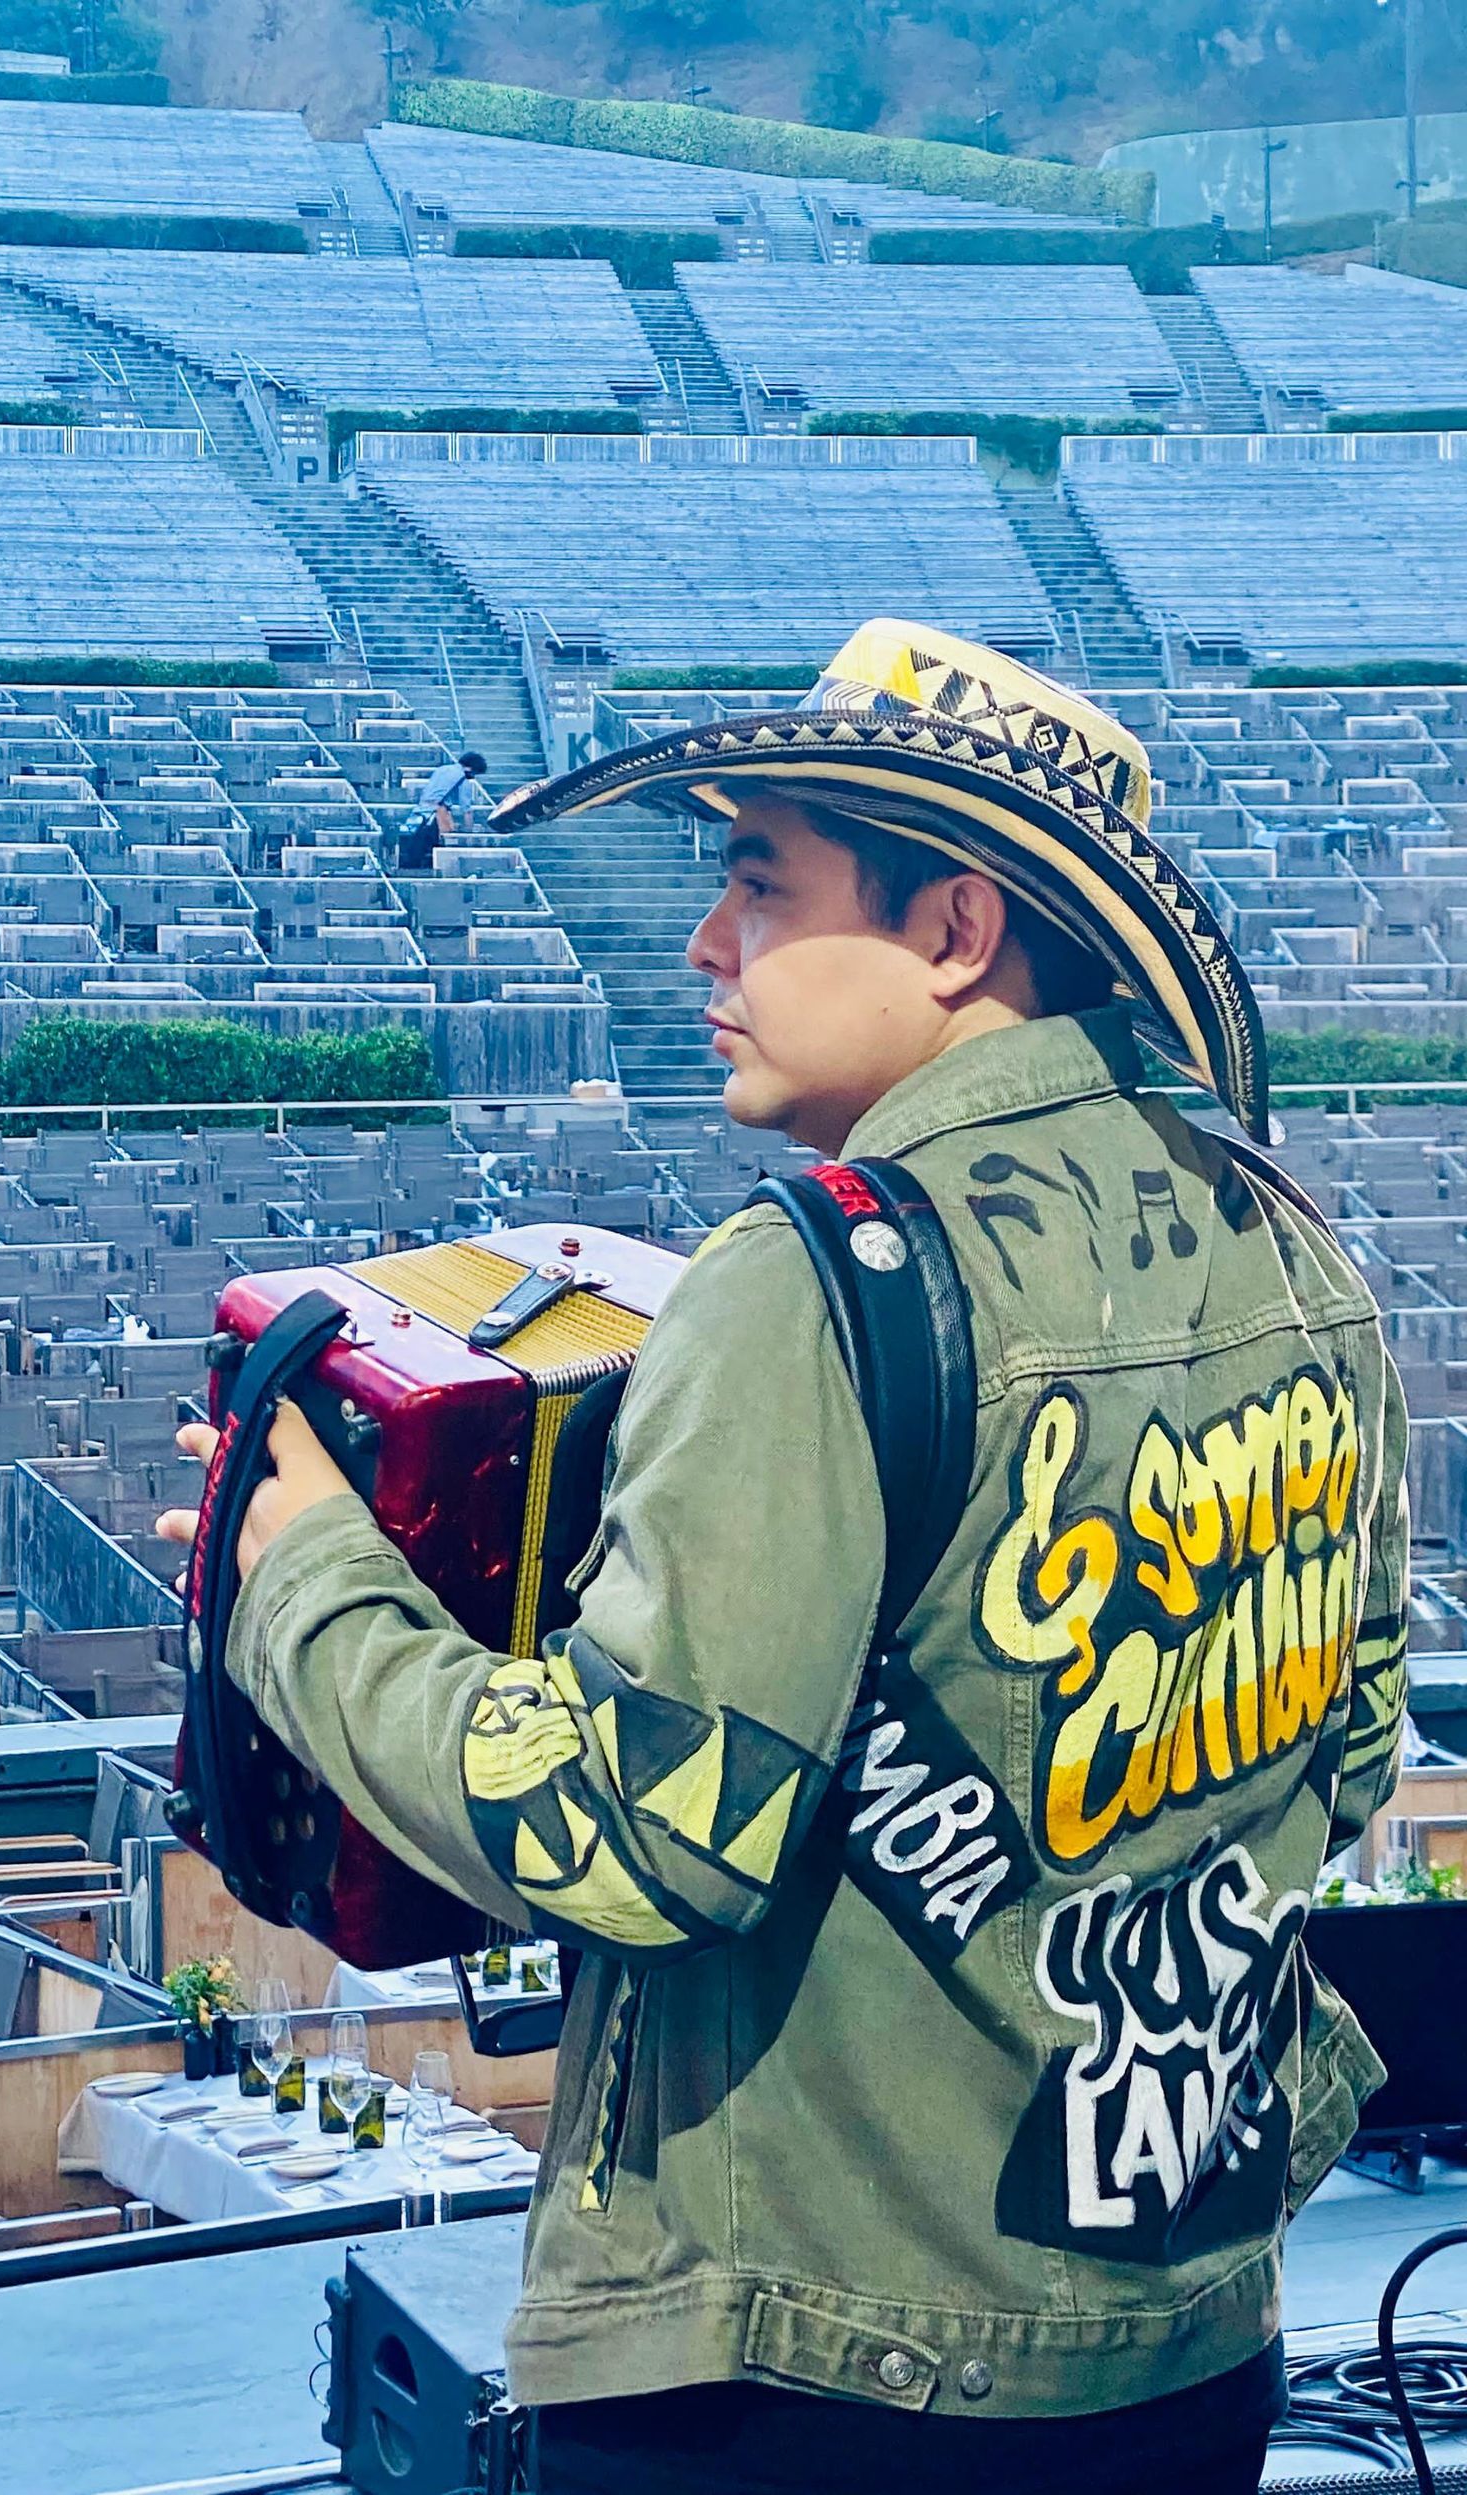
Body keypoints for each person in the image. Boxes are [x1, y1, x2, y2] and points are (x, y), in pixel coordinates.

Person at [158, 622, 1409, 2495]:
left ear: (955, 931)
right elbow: (1358, 1750)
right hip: (1195, 2349)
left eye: (759, 882)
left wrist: (301, 1580)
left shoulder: (813, 1278)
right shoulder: (1301, 1250)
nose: (704, 947)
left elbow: (634, 1840)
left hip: (804, 2391)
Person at [397, 748, 489, 870]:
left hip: (421, 809)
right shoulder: (463, 779)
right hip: (438, 812)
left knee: (420, 842)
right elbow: (466, 809)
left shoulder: (442, 769)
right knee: (439, 844)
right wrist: (468, 832)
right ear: (471, 769)